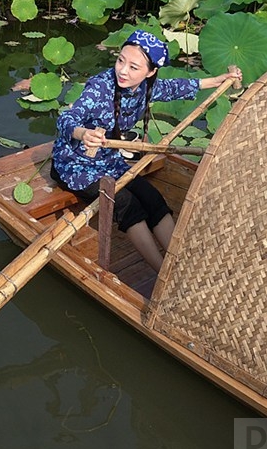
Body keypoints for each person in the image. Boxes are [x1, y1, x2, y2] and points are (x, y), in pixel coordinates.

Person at [50, 30, 242, 271]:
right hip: (76, 165)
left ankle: (178, 266)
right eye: (121, 60)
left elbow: (174, 88)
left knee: (152, 197)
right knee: (126, 203)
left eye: (133, 67)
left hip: (109, 161)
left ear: (150, 72)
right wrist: (83, 134)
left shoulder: (145, 87)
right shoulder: (100, 88)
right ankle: (162, 272)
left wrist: (217, 81)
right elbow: (66, 119)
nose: (122, 71)